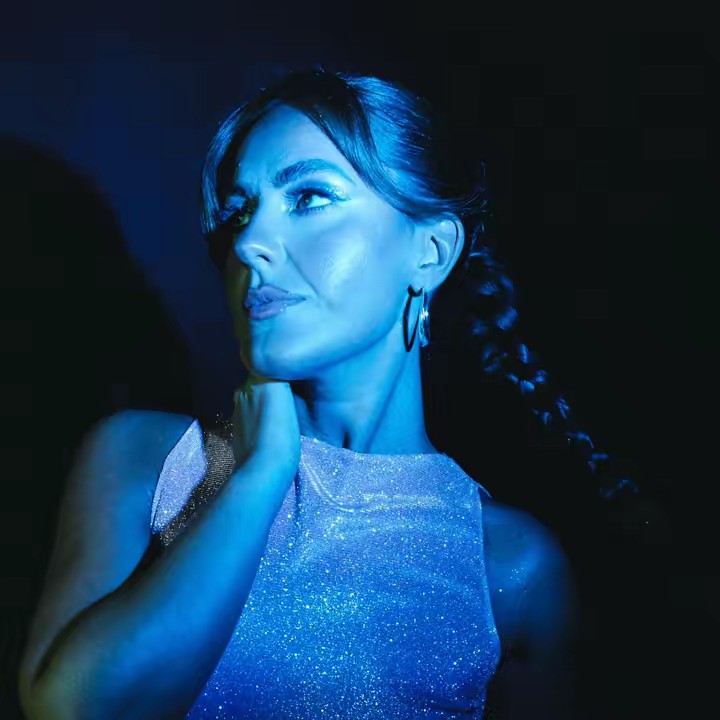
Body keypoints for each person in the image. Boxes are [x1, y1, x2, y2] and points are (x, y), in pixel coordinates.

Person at [17, 66, 635, 720]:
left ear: (430, 251)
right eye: (238, 210)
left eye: (310, 197)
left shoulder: (509, 566)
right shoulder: (145, 457)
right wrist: (259, 477)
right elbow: (73, 710)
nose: (249, 241)